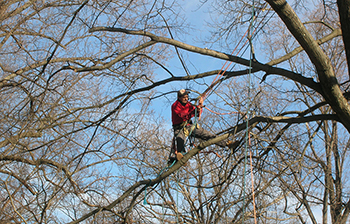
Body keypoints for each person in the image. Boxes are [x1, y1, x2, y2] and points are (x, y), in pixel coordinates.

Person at [168, 89, 235, 164]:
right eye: (184, 97)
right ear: (179, 98)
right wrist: (194, 111)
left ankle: (227, 143)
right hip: (179, 128)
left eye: (187, 97)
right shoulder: (175, 105)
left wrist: (199, 108)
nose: (186, 98)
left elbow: (196, 113)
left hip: (189, 126)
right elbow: (182, 116)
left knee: (207, 135)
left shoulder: (189, 104)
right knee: (180, 142)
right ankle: (180, 157)